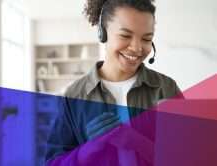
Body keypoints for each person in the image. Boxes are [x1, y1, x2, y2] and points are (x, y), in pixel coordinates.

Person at [45, 0, 183, 165]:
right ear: (102, 32)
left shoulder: (166, 89)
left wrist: (138, 142)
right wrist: (88, 150)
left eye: (146, 39)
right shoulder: (74, 96)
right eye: (125, 35)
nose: (137, 48)